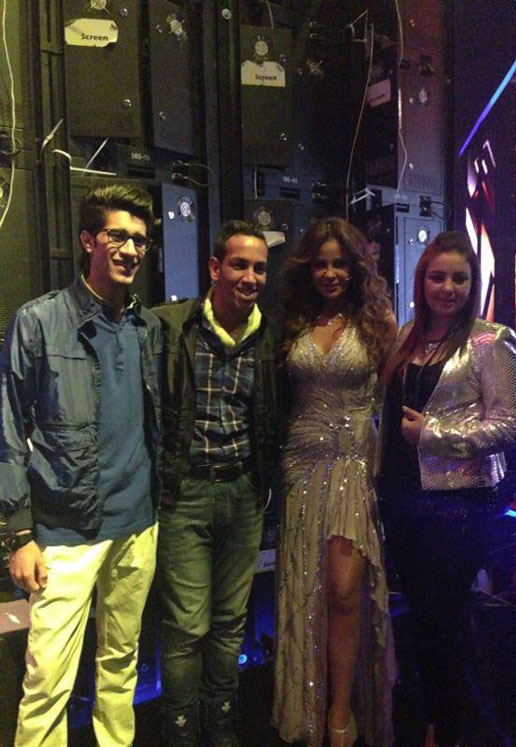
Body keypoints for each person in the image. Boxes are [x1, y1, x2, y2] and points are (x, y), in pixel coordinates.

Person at [0, 184, 162, 746]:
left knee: (121, 666)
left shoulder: (147, 328)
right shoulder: (39, 321)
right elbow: (7, 428)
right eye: (118, 235)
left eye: (140, 239)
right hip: (64, 531)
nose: (130, 249)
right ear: (88, 240)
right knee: (47, 681)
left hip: (137, 526)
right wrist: (19, 533)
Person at [376, 231, 516, 747]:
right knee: (422, 617)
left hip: (459, 505)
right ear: (422, 281)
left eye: (459, 278)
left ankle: (457, 726)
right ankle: (436, 719)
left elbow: (512, 426)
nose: (447, 288)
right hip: (402, 500)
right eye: (437, 277)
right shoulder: (406, 335)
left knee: (448, 621)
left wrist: (434, 435)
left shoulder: (491, 339)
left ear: (472, 283)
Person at [153, 220, 285, 747]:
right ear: (214, 267)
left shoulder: (271, 337)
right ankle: (181, 733)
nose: (250, 277)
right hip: (185, 494)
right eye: (239, 265)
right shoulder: (170, 326)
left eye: (259, 268)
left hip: (244, 494)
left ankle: (222, 729)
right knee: (187, 628)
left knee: (231, 622)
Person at [272, 217, 397, 747]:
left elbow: (392, 398)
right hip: (301, 465)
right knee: (307, 588)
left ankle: (340, 711)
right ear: (308, 269)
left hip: (351, 465)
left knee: (346, 590)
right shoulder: (294, 321)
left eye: (340, 263)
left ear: (356, 267)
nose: (330, 273)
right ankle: (307, 705)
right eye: (321, 264)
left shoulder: (378, 322)